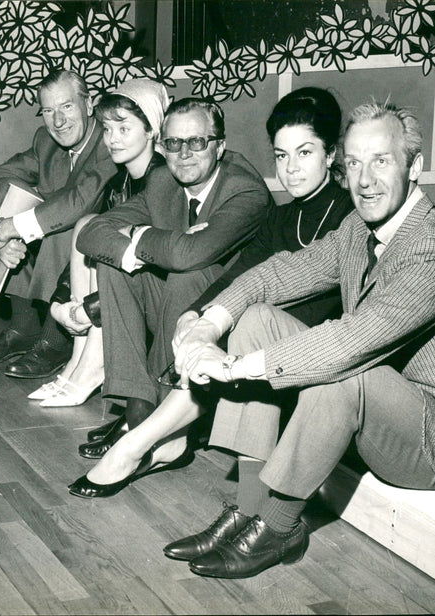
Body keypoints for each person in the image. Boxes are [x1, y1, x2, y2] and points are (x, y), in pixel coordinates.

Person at [164, 100, 435, 579]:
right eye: (355, 164)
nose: (364, 181)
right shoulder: (358, 226)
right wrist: (207, 323)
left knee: (340, 372)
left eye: (381, 161)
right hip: (386, 401)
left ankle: (280, 528)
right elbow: (280, 274)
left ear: (415, 167)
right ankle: (247, 506)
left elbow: (350, 343)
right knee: (257, 317)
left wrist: (235, 368)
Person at [67, 87, 354, 496]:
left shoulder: (347, 216)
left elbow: (314, 302)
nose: (291, 169)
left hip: (307, 353)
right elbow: (243, 274)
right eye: (281, 155)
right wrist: (198, 314)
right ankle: (249, 510)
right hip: (257, 345)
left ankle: (136, 445)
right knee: (238, 327)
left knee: (246, 326)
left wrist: (220, 322)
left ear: (331, 155)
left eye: (305, 153)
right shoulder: (285, 216)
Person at [71, 97, 273, 455]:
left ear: (220, 146)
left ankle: (168, 418)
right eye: (173, 144)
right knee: (114, 264)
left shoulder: (245, 190)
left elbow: (189, 255)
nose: (184, 154)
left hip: (227, 321)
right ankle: (138, 407)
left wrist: (137, 234)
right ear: (162, 147)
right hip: (174, 309)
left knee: (186, 272)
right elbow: (91, 234)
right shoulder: (164, 180)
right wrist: (134, 242)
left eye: (197, 142)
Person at [25, 78, 169, 407]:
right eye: (107, 129)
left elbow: (154, 269)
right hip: (111, 304)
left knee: (99, 229)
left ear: (151, 130)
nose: (112, 140)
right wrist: (65, 303)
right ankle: (78, 363)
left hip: (154, 306)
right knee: (88, 224)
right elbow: (86, 251)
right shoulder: (120, 181)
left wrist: (87, 311)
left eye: (123, 129)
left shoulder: (162, 179)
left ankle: (93, 366)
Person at [0, 70, 114, 377]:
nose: (58, 121)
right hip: (67, 231)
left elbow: (79, 201)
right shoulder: (46, 140)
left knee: (65, 223)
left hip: (110, 241)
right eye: (48, 111)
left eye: (67, 107)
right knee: (10, 191)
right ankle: (24, 329)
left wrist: (10, 227)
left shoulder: (109, 141)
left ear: (89, 105)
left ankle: (55, 341)